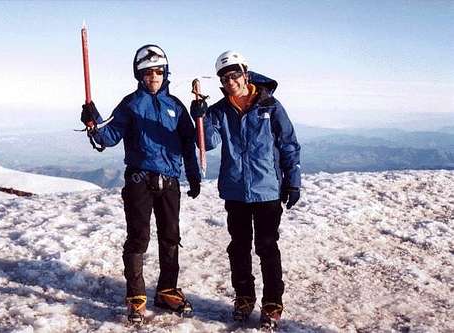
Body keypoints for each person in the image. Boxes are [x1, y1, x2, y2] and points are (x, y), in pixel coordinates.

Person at [80, 44, 201, 324]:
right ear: (139, 75)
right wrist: (94, 121)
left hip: (169, 181)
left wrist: (193, 175)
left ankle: (167, 290)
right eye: (147, 73)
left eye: (158, 71)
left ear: (165, 72)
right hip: (139, 181)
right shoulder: (131, 104)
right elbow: (108, 136)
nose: (153, 77)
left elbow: (188, 144)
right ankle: (136, 297)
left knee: (171, 237)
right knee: (138, 238)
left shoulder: (176, 107)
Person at [190, 51, 301, 330]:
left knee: (266, 246)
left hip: (267, 190)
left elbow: (288, 144)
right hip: (235, 190)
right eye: (225, 77)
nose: (231, 81)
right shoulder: (219, 110)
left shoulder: (270, 107)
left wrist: (293, 181)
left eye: (235, 74)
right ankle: (243, 298)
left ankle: (272, 303)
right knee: (238, 248)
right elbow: (209, 143)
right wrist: (200, 119)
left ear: (246, 74)